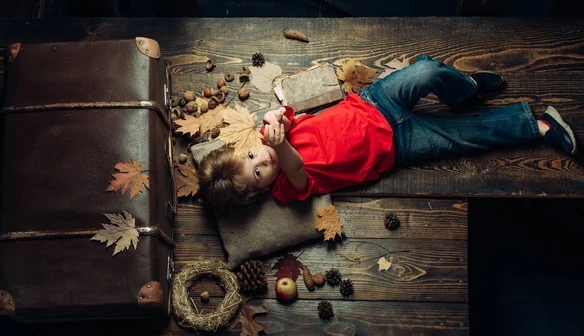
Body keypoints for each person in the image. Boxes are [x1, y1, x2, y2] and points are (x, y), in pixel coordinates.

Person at [198, 54, 578, 210]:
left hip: (373, 102)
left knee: (426, 71)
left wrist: (275, 113)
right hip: (396, 146)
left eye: (251, 157)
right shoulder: (284, 189)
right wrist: (280, 150)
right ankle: (538, 125)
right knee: (461, 136)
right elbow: (297, 171)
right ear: (260, 191)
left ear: (245, 147)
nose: (263, 159)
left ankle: (468, 89)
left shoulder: (270, 136)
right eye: (258, 171)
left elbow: (289, 112)